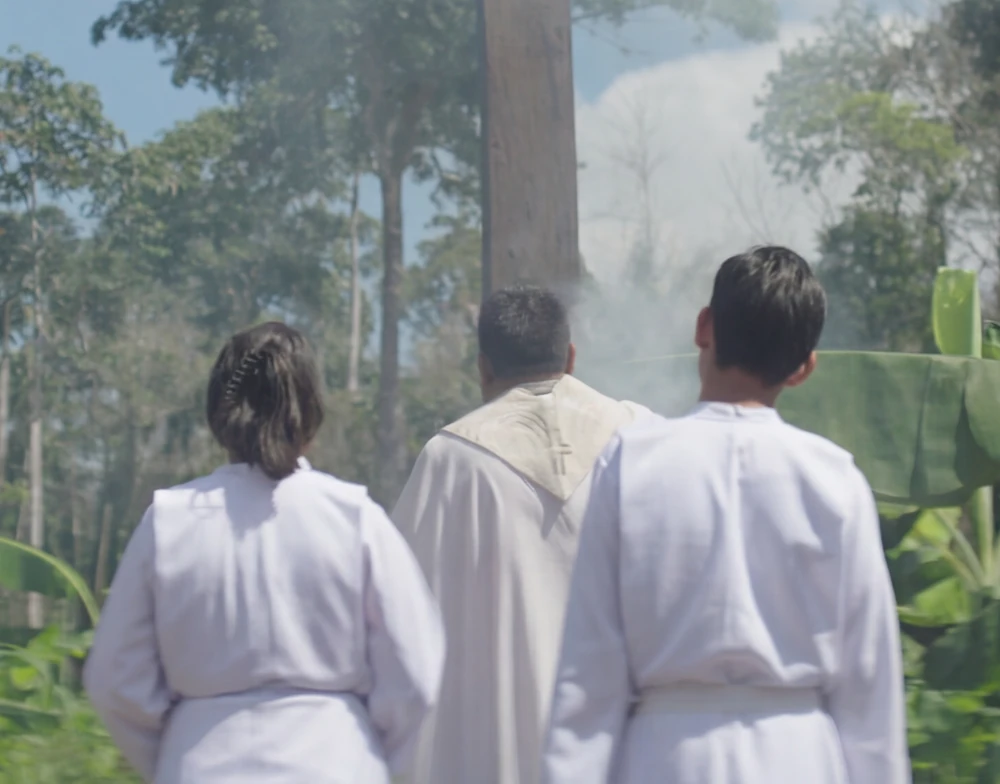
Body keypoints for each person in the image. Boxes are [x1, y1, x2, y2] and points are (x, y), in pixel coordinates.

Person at [541, 246, 910, 784]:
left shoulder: (629, 463)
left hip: (665, 756)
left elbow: (588, 673)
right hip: (800, 756)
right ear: (805, 366)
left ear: (704, 327)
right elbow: (869, 687)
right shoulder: (836, 480)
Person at [84, 320, 444, 784]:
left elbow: (114, 678)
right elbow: (415, 669)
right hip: (336, 763)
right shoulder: (353, 516)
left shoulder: (169, 521)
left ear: (219, 415)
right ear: (311, 414)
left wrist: (177, 752)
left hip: (201, 764)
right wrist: (369, 754)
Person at [392, 284, 647, 784]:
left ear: (483, 368)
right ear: (570, 357)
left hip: (498, 749)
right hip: (622, 743)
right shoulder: (641, 436)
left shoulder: (452, 459)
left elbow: (397, 616)